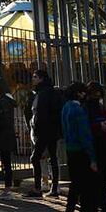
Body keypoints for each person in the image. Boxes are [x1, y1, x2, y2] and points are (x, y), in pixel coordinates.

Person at [62, 81, 99, 212]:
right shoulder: (79, 110)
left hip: (70, 148)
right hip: (80, 150)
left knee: (75, 182)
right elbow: (84, 135)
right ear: (79, 93)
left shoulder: (66, 107)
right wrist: (92, 157)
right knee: (85, 183)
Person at [25, 69, 64, 198]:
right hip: (53, 130)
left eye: (35, 77)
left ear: (41, 79)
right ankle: (54, 187)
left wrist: (35, 129)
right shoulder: (53, 92)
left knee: (35, 158)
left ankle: (38, 187)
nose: (33, 79)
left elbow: (40, 114)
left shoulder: (41, 94)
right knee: (53, 157)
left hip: (43, 131)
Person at [85, 81, 106, 212]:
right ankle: (101, 204)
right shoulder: (92, 107)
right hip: (99, 143)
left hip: (99, 143)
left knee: (98, 176)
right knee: (100, 176)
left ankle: (99, 204)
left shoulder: (96, 106)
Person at [0, 78, 16, 195]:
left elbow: (2, 118)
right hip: (8, 134)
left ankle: (2, 187)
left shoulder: (2, 101)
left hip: (0, 135)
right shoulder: (8, 99)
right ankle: (7, 187)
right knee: (6, 162)